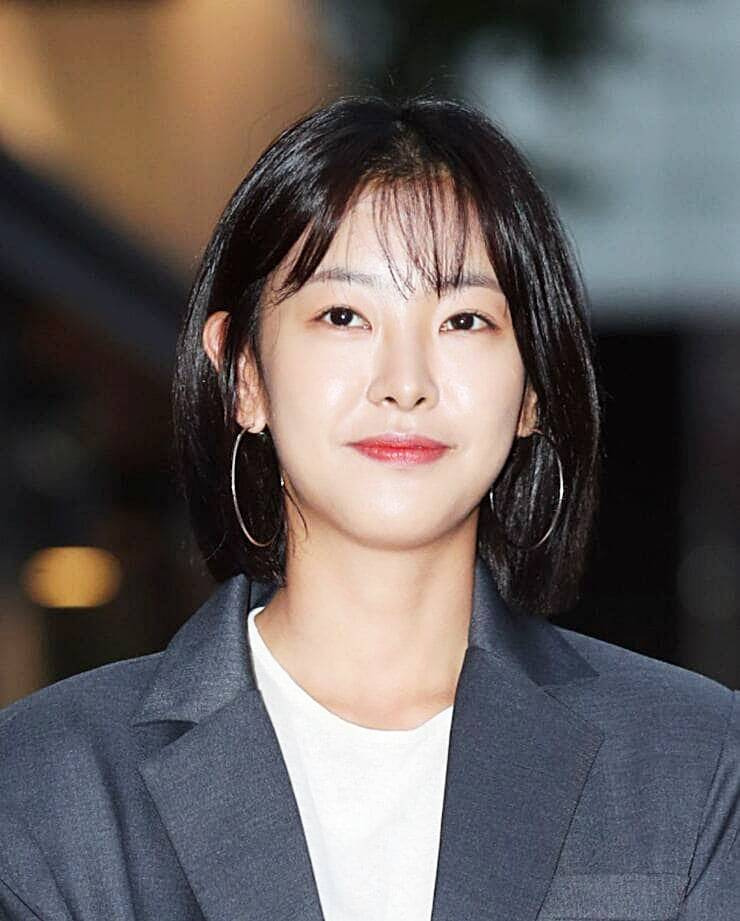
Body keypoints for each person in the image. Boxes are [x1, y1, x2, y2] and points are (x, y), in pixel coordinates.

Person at [0, 94, 737, 921]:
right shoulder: (47, 784)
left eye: (464, 320)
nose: (405, 382)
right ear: (244, 372)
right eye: (344, 315)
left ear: (533, 388)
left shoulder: (694, 761)